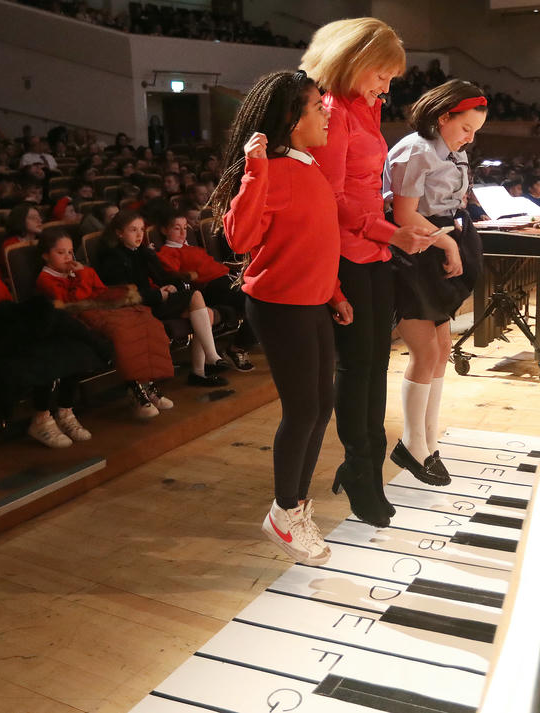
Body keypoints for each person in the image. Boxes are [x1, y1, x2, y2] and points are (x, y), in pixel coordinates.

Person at [210, 69, 351, 565]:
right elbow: (240, 239)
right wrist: (253, 168)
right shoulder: (268, 169)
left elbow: (314, 241)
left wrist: (333, 291)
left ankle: (295, 507)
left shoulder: (307, 166)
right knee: (303, 410)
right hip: (279, 305)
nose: (326, 113)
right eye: (317, 106)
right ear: (292, 118)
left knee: (322, 403)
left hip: (311, 301)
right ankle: (284, 511)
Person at [300, 18, 435, 526]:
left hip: (373, 249)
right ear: (354, 62)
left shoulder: (366, 107)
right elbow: (328, 201)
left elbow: (359, 189)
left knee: (373, 365)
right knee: (358, 370)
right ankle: (362, 471)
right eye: (382, 74)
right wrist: (390, 232)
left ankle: (362, 467)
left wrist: (396, 228)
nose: (388, 86)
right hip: (347, 256)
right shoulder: (332, 111)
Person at [383, 80, 488, 486]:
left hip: (441, 245)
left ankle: (427, 438)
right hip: (414, 253)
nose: (469, 138)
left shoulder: (452, 151)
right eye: (465, 129)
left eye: (475, 132)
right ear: (443, 116)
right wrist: (447, 242)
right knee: (425, 351)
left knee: (442, 348)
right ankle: (411, 443)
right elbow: (404, 215)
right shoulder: (415, 150)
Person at [0, 230, 97, 447]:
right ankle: (42, 419)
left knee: (63, 343)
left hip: (10, 335)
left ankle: (65, 411)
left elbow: (13, 313)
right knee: (43, 331)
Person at [34, 227, 174, 419]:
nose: (68, 257)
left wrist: (85, 274)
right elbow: (72, 304)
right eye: (60, 253)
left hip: (102, 308)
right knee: (124, 332)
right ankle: (134, 389)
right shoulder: (46, 279)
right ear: (45, 256)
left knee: (146, 320)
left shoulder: (76, 271)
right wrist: (82, 277)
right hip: (81, 317)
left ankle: (147, 384)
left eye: (70, 252)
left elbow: (100, 290)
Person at [97, 209, 229, 387]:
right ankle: (210, 358)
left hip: (153, 300)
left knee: (205, 312)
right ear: (119, 233)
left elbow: (163, 277)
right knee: (197, 299)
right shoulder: (111, 258)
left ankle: (200, 372)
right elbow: (124, 295)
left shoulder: (141, 251)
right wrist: (159, 293)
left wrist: (173, 286)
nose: (139, 235)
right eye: (133, 230)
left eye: (141, 230)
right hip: (138, 308)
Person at [155, 208, 255, 371]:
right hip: (211, 288)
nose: (182, 233)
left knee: (265, 298)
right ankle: (237, 348)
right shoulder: (168, 252)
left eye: (185, 228)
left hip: (227, 280)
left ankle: (243, 345)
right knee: (255, 303)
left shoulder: (192, 248)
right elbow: (173, 277)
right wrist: (189, 275)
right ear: (164, 230)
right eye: (176, 228)